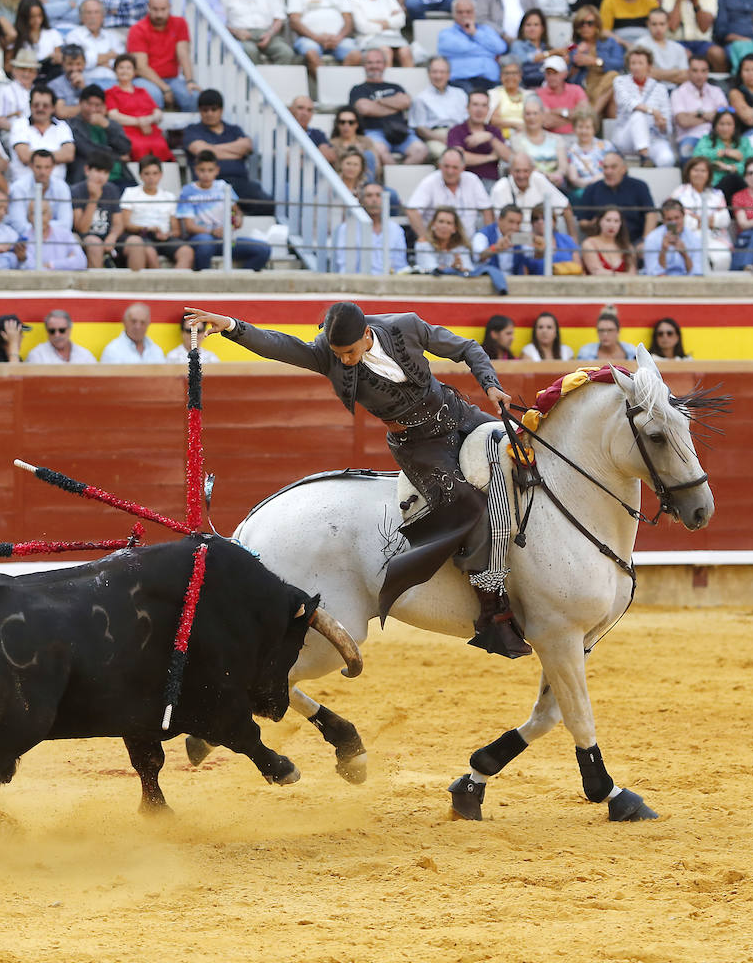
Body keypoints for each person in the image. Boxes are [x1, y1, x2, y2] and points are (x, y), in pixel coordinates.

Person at [184, 300, 529, 658]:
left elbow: (466, 348)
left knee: (525, 456)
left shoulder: (405, 326)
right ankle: (492, 611)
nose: (345, 360)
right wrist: (231, 325)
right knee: (466, 505)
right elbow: (279, 345)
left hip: (458, 413)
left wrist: (490, 385)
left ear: (367, 335)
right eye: (338, 354)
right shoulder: (328, 354)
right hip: (418, 446)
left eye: (349, 352)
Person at [173, 148, 270, 271]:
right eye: (202, 170)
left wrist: (235, 221)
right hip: (200, 239)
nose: (206, 174)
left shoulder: (224, 187)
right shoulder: (187, 191)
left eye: (210, 170)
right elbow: (189, 226)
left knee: (262, 249)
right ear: (195, 170)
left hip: (226, 240)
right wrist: (212, 232)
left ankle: (238, 283)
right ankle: (204, 284)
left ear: (217, 170)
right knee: (206, 243)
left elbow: (235, 211)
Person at [183, 87, 274, 213]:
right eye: (205, 110)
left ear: (221, 110)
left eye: (213, 109)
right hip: (209, 185)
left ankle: (238, 214)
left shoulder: (234, 129)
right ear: (199, 111)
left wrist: (211, 149)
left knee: (267, 204)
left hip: (239, 183)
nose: (209, 113)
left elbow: (247, 146)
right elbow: (200, 151)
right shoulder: (192, 130)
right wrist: (235, 150)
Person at [350, 47, 427, 165]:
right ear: (364, 65)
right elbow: (364, 109)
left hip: (400, 132)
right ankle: (395, 178)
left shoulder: (395, 87)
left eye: (378, 62)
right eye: (370, 62)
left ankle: (401, 176)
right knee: (380, 151)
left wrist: (378, 101)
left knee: (421, 150)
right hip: (374, 131)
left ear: (385, 65)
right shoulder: (358, 89)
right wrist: (394, 106)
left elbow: (406, 102)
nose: (374, 66)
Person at [126, 0, 198, 111]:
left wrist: (190, 81)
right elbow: (141, 67)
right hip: (145, 79)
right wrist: (164, 88)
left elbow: (183, 54)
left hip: (173, 78)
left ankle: (186, 130)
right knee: (154, 96)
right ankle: (157, 130)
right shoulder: (137, 29)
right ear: (148, 7)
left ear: (170, 7)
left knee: (193, 97)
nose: (159, 14)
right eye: (155, 9)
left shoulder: (180, 23)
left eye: (163, 9)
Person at [405, 148, 494, 243]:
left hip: (467, 244)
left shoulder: (472, 180)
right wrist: (425, 238)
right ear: (439, 166)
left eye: (455, 167)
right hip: (436, 244)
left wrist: (488, 240)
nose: (450, 171)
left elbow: (487, 210)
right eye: (446, 166)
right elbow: (412, 211)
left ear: (463, 168)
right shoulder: (430, 181)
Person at [491, 151, 578, 238]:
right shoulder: (500, 188)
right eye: (517, 171)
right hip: (512, 241)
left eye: (525, 171)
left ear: (532, 169)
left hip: (543, 239)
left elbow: (565, 207)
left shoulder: (538, 178)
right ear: (510, 171)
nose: (521, 176)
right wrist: (533, 241)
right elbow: (502, 228)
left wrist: (573, 244)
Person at [611, 46, 675, 167]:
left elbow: (667, 126)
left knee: (667, 159)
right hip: (626, 138)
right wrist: (653, 111)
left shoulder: (660, 88)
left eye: (640, 63)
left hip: (653, 137)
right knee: (638, 115)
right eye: (633, 63)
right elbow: (628, 103)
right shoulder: (620, 81)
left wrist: (662, 124)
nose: (636, 67)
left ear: (649, 66)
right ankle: (645, 157)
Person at [577, 150, 658, 242]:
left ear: (624, 169)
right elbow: (582, 222)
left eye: (613, 167)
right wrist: (592, 224)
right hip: (602, 243)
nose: (608, 171)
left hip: (634, 242)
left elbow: (651, 215)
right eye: (605, 167)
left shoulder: (639, 186)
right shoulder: (592, 189)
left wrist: (645, 242)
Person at [119, 153, 181, 270]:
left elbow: (176, 230)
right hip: (140, 236)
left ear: (161, 175)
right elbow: (126, 224)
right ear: (140, 175)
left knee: (186, 252)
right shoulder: (130, 193)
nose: (151, 177)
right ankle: (160, 287)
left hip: (164, 238)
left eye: (155, 173)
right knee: (150, 253)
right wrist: (147, 229)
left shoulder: (169, 196)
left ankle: (174, 286)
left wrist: (167, 235)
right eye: (147, 173)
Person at [106, 52, 172, 162]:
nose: (124, 71)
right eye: (121, 67)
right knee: (138, 148)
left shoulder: (142, 91)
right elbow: (113, 115)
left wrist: (147, 120)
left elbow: (157, 112)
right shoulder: (111, 93)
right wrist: (139, 122)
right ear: (115, 71)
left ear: (134, 72)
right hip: (127, 132)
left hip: (149, 130)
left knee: (161, 146)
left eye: (128, 68)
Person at [669, 154, 732, 269]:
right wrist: (705, 221)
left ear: (709, 174)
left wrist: (699, 219)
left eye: (703, 171)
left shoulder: (717, 194)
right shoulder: (679, 193)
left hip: (714, 237)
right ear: (689, 172)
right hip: (687, 236)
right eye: (695, 170)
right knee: (699, 260)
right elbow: (674, 219)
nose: (699, 174)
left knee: (723, 257)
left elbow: (724, 218)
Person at [331, 179, 407, 273]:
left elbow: (400, 266)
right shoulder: (347, 229)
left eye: (378, 195)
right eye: (369, 195)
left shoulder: (396, 229)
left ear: (386, 200)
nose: (374, 200)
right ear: (361, 201)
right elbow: (344, 267)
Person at [438, 0, 507, 94]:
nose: (464, 15)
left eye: (468, 12)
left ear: (475, 13)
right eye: (460, 12)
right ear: (454, 14)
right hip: (462, 81)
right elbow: (464, 48)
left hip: (490, 79)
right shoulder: (446, 34)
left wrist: (475, 33)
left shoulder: (486, 30)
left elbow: (501, 48)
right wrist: (489, 51)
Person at [70, 154, 130, 267]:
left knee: (136, 242)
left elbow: (118, 223)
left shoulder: (112, 189)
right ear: (87, 170)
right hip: (86, 237)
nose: (101, 177)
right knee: (94, 243)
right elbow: (82, 229)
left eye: (105, 173)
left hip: (108, 236)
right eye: (98, 171)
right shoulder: (76, 191)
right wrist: (94, 199)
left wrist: (113, 236)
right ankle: (98, 284)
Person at [67, 83, 133, 186]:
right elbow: (87, 150)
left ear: (103, 106)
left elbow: (125, 147)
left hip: (119, 176)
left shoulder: (110, 123)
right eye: (89, 104)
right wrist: (118, 157)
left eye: (97, 105)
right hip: (87, 179)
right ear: (80, 103)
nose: (93, 109)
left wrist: (106, 125)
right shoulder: (71, 125)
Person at [566, 6, 625, 115]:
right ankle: (593, 115)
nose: (585, 27)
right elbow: (567, 77)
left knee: (613, 77)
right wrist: (576, 56)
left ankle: (592, 114)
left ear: (597, 24)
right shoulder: (573, 47)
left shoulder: (610, 42)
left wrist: (595, 61)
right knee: (613, 91)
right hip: (584, 87)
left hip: (605, 82)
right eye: (581, 23)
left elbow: (619, 64)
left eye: (590, 23)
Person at [287, 0, 359, 74]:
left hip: (338, 39)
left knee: (356, 54)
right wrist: (316, 38)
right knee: (311, 53)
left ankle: (340, 85)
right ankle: (325, 86)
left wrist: (338, 38)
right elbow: (294, 21)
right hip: (309, 38)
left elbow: (349, 20)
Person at [672, 54, 728, 156]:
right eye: (695, 70)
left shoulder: (716, 91)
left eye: (703, 71)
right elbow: (683, 121)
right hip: (690, 137)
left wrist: (696, 114)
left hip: (715, 137)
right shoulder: (678, 93)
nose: (699, 75)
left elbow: (724, 116)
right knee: (686, 154)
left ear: (708, 72)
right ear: (688, 72)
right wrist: (708, 116)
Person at [449, 90, 510, 183]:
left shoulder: (494, 131)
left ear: (488, 109)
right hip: (464, 181)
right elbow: (458, 158)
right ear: (467, 108)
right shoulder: (456, 131)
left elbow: (508, 157)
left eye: (484, 105)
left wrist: (490, 138)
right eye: (475, 104)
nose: (479, 110)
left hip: (491, 181)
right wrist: (490, 157)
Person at [660, 0, 726, 69]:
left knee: (717, 53)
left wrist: (695, 0)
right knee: (684, 54)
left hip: (702, 43)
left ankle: (721, 81)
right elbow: (673, 26)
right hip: (678, 42)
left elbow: (704, 28)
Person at [65, 0, 123, 90]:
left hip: (114, 81)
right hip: (87, 81)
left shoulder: (112, 36)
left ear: (102, 16)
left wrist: (94, 59)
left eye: (96, 12)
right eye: (89, 13)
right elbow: (79, 62)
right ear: (81, 17)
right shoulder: (73, 36)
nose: (93, 17)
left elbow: (120, 62)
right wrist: (109, 55)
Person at [508, 96, 566, 186]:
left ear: (543, 115)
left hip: (556, 184)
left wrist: (557, 175)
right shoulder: (516, 139)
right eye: (528, 114)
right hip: (530, 184)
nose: (532, 117)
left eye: (535, 113)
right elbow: (523, 165)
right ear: (523, 116)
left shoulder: (557, 139)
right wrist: (547, 176)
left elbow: (563, 166)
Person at [350, 0, 411, 68]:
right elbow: (363, 27)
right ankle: (387, 80)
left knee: (406, 52)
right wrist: (390, 21)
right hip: (369, 39)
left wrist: (374, 21)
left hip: (394, 38)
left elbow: (401, 20)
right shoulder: (354, 0)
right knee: (385, 51)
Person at [642, 198, 705, 275]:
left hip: (686, 283)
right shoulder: (652, 239)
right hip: (662, 283)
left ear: (683, 216)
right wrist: (663, 251)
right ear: (663, 220)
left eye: (677, 218)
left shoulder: (694, 239)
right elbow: (653, 273)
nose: (674, 223)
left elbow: (696, 274)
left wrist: (684, 254)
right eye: (669, 219)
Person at [471, 204, 535, 278]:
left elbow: (533, 255)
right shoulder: (483, 235)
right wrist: (496, 248)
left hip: (515, 282)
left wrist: (541, 247)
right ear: (499, 220)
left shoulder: (520, 236)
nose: (514, 227)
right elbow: (477, 256)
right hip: (489, 282)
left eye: (518, 223)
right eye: (511, 222)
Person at [10, 0, 62, 79]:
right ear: (24, 17)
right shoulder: (17, 36)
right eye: (32, 17)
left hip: (48, 77)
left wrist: (55, 58)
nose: (37, 20)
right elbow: (9, 66)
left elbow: (58, 57)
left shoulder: (53, 34)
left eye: (39, 16)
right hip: (24, 79)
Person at [536, 55, 589, 134]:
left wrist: (560, 112)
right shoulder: (539, 93)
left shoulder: (576, 90)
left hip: (576, 137)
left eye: (555, 73)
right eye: (548, 73)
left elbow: (585, 114)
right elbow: (547, 122)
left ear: (565, 74)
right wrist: (573, 118)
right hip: (551, 139)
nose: (551, 77)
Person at [565, 108, 611, 197]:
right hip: (583, 191)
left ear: (594, 128)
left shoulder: (605, 146)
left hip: (606, 186)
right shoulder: (571, 151)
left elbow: (615, 170)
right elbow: (573, 179)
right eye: (580, 127)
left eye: (587, 127)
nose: (584, 131)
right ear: (574, 128)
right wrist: (591, 183)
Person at [580, 204, 638, 274]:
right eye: (608, 220)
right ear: (599, 221)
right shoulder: (589, 244)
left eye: (616, 221)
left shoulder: (628, 247)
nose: (612, 225)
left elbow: (633, 274)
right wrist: (624, 276)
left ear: (621, 224)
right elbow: (597, 272)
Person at [101, 301, 166, 362]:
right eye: (133, 321)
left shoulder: (156, 351)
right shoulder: (112, 351)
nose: (138, 327)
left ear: (148, 324)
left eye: (142, 322)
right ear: (124, 322)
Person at [642, 6, 690, 85]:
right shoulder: (641, 45)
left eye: (662, 24)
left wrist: (657, 74)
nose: (658, 28)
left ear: (668, 24)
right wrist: (676, 72)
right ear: (648, 24)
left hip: (675, 93)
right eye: (654, 24)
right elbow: (643, 74)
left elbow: (685, 77)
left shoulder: (678, 48)